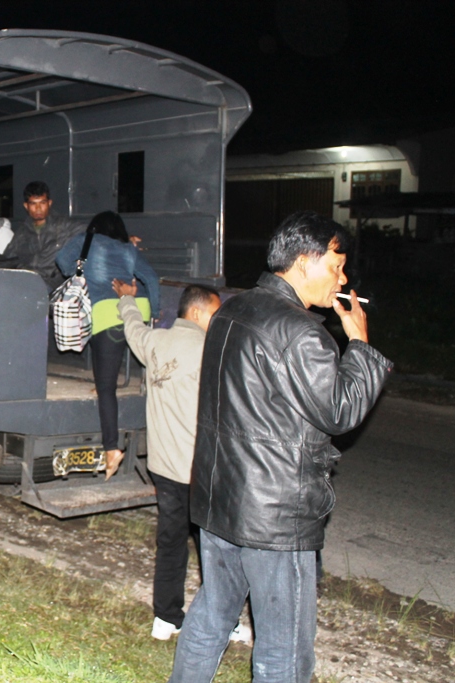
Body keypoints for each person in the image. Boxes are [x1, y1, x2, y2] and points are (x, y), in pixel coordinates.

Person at [169, 210, 393, 683]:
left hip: (219, 498)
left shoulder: (230, 310)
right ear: (306, 262)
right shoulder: (302, 331)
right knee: (284, 650)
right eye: (336, 265)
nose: (343, 277)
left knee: (212, 616)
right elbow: (340, 412)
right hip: (274, 515)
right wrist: (361, 345)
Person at [111, 279, 229, 643]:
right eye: (215, 313)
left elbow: (133, 328)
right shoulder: (211, 351)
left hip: (164, 468)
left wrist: (127, 301)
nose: (219, 320)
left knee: (172, 541)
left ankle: (166, 618)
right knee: (219, 550)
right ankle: (225, 620)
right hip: (199, 470)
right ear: (195, 312)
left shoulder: (156, 342)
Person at [54, 211, 160, 470]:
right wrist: (154, 315)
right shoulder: (128, 249)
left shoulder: (85, 240)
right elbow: (152, 278)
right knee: (113, 365)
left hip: (106, 315)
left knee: (106, 390)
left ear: (94, 227)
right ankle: (107, 377)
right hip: (136, 311)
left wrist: (80, 265)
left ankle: (112, 448)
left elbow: (63, 263)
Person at [2, 181, 84, 290]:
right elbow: (8, 259)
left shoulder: (64, 226)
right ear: (26, 206)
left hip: (53, 285)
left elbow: (92, 234)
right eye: (33, 204)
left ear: (49, 203)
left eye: (42, 203)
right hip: (26, 282)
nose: (38, 208)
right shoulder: (22, 232)